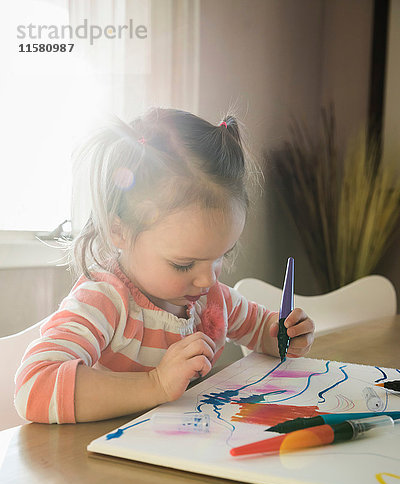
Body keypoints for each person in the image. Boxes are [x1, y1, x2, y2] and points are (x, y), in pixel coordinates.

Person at [14, 108, 315, 424]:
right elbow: (33, 387)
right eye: (184, 265)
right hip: (100, 461)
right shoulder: (105, 301)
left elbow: (260, 331)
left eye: (219, 256)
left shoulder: (213, 301)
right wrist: (154, 384)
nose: (206, 279)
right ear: (120, 231)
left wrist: (284, 334)